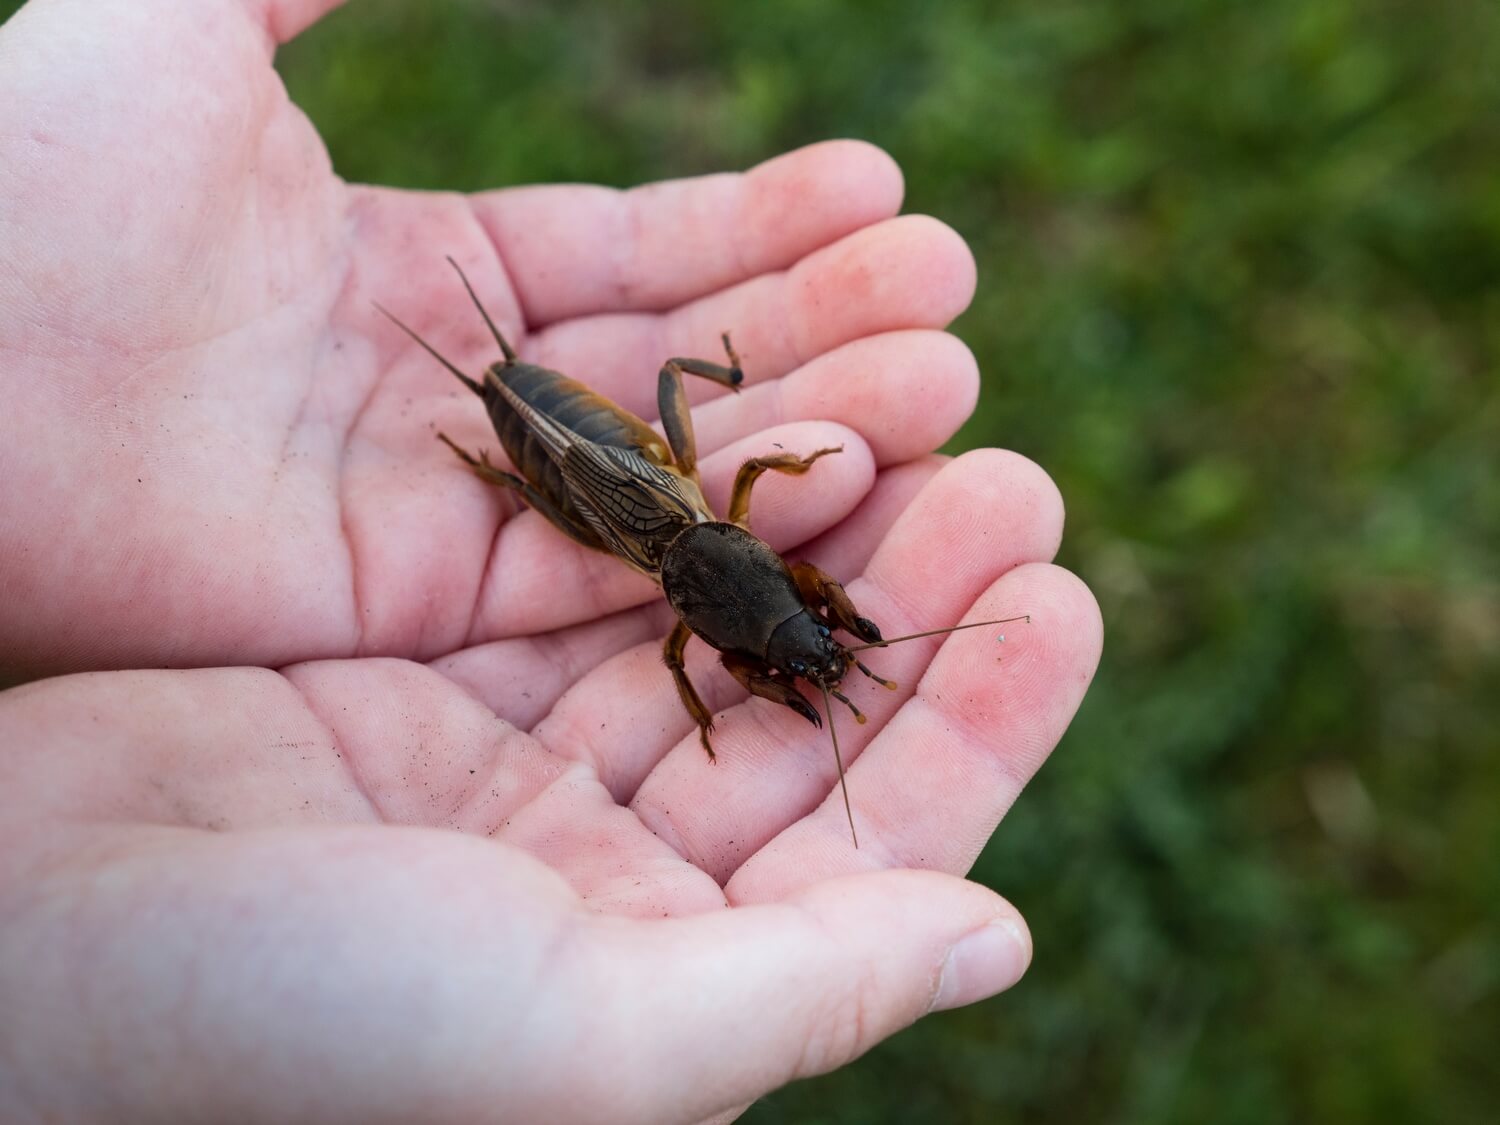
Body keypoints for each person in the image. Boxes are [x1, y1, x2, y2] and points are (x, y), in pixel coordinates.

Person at [0, 1, 1102, 1121]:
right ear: (743, 574)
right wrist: (727, 705)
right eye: (784, 637)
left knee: (563, 472)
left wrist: (764, 670)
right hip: (575, 454)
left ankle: (492, 439)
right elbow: (691, 666)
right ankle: (487, 447)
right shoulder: (703, 589)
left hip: (617, 466)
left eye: (776, 644)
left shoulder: (715, 559)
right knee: (538, 486)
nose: (793, 632)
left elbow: (700, 652)